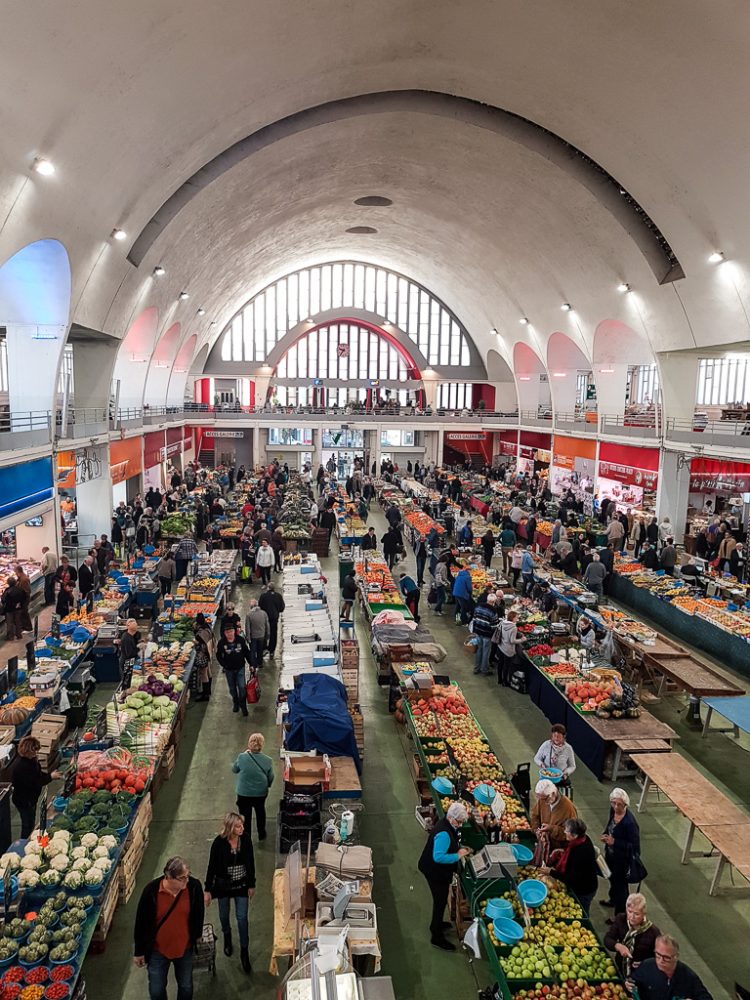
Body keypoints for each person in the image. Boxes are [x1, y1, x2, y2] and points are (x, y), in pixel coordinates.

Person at [133, 856, 205, 1000]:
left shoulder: (194, 887)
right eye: (182, 878)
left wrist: (196, 935)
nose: (187, 880)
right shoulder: (151, 892)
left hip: (184, 948)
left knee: (186, 987)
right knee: (156, 990)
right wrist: (139, 952)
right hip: (157, 951)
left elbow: (199, 913)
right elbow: (141, 922)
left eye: (187, 876)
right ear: (168, 877)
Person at [204, 812, 256, 973]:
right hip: (223, 886)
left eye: (242, 825)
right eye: (238, 826)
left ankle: (244, 951)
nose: (242, 828)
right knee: (224, 915)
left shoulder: (245, 840)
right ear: (230, 827)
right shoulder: (219, 843)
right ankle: (227, 936)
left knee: (242, 918)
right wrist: (207, 890)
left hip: (241, 885)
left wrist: (251, 884)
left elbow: (251, 861)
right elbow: (211, 866)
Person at [417, 801, 472, 951]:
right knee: (440, 901)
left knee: (440, 900)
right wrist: (457, 855)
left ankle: (438, 924)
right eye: (459, 822)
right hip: (434, 871)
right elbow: (438, 857)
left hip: (434, 869)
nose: (460, 825)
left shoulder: (446, 824)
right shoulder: (443, 834)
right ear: (452, 818)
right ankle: (436, 936)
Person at [541, 817, 598, 914]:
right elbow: (570, 854)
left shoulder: (581, 852)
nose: (564, 832)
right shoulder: (582, 839)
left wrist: (551, 872)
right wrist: (562, 853)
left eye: (567, 831)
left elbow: (572, 878)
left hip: (584, 889)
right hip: (581, 883)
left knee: (581, 912)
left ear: (574, 835)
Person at [632, 934, 713, 1000]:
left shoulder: (688, 977)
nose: (661, 960)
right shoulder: (647, 966)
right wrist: (629, 984)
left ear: (676, 956)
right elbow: (632, 981)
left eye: (666, 957)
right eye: (658, 954)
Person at [600, 787, 641, 915]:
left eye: (619, 804)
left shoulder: (629, 823)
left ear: (625, 805)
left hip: (623, 860)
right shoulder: (613, 812)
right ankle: (613, 900)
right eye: (614, 803)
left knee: (621, 887)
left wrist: (615, 842)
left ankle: (620, 915)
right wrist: (605, 835)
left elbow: (634, 847)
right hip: (611, 855)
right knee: (612, 879)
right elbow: (610, 826)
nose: (616, 806)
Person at [11, 735, 61, 838]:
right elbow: (35, 782)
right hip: (24, 801)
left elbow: (38, 774)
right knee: (27, 824)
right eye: (34, 751)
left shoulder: (31, 760)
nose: (36, 753)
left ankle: (31, 836)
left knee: (31, 821)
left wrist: (49, 775)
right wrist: (50, 777)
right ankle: (25, 841)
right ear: (27, 751)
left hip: (31, 798)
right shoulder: (22, 767)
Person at [603, 892, 660, 978]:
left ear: (644, 914)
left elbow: (658, 957)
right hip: (620, 966)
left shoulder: (653, 932)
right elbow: (608, 938)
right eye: (629, 911)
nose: (632, 917)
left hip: (640, 973)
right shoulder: (621, 919)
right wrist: (618, 946)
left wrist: (645, 964)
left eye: (636, 914)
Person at [232, 732, 274, 840]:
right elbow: (271, 777)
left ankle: (246, 836)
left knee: (245, 815)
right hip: (260, 793)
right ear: (262, 745)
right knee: (260, 811)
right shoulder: (268, 760)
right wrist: (267, 785)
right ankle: (261, 833)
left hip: (244, 793)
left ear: (249, 744)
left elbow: (234, 769)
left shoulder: (242, 757)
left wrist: (243, 754)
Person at [530, 778, 578, 853]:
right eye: (539, 798)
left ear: (553, 794)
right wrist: (537, 830)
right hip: (544, 845)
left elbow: (571, 834)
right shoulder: (542, 800)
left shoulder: (568, 808)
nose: (542, 802)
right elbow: (535, 815)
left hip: (558, 850)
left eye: (544, 799)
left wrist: (551, 829)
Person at [216, 624, 254, 716]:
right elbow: (218, 655)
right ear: (224, 633)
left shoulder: (240, 640)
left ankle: (243, 705)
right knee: (232, 688)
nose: (229, 634)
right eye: (227, 632)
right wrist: (224, 665)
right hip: (229, 670)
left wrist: (251, 664)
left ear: (234, 631)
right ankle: (235, 702)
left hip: (240, 668)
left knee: (242, 687)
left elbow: (246, 652)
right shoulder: (222, 643)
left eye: (231, 631)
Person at [471, 593, 499, 675]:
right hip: (487, 634)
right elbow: (494, 626)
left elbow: (474, 618)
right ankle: (484, 670)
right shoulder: (493, 611)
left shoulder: (478, 607)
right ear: (494, 602)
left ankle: (476, 668)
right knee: (486, 652)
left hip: (478, 631)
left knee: (479, 650)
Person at [192, 613, 215, 702]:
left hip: (204, 655)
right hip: (209, 652)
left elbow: (198, 642)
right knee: (208, 671)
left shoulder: (201, 633)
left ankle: (205, 695)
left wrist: (194, 642)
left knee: (203, 673)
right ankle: (208, 691)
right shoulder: (208, 627)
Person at [258, 582, 285, 656]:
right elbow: (282, 608)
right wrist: (277, 611)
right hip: (274, 618)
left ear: (268, 588)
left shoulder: (263, 596)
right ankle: (272, 650)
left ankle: (264, 649)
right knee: (273, 634)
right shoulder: (278, 596)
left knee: (263, 633)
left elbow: (260, 606)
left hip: (265, 618)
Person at [496, 610, 520, 687]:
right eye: (516, 617)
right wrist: (522, 639)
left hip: (501, 647)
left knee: (500, 664)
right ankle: (505, 682)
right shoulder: (513, 627)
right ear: (513, 618)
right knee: (506, 666)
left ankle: (499, 679)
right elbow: (512, 641)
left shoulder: (503, 623)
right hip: (508, 650)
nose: (517, 619)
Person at [244, 599, 269, 668]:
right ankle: (260, 663)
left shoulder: (249, 615)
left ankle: (253, 665)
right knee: (260, 650)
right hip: (261, 635)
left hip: (253, 636)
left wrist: (248, 638)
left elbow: (247, 628)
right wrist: (267, 635)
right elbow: (267, 625)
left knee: (252, 651)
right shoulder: (264, 613)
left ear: (251, 606)